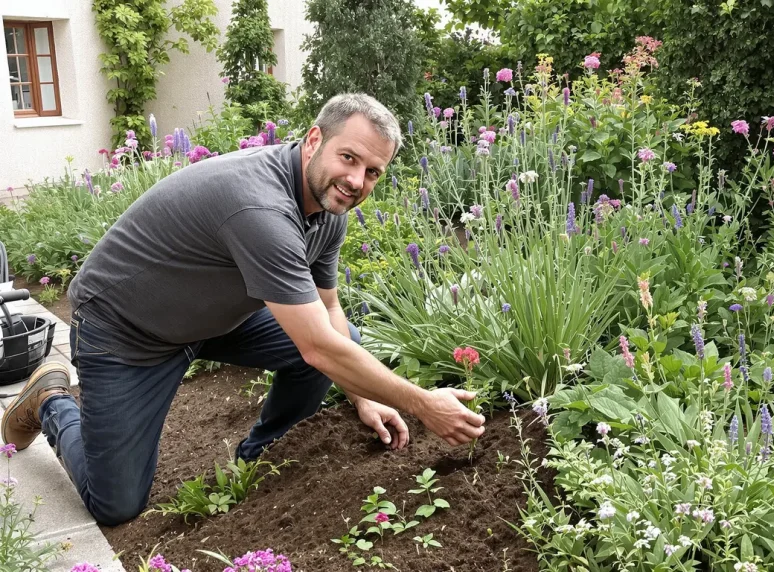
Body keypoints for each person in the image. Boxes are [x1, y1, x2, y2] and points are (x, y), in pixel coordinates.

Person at [0, 93, 485, 527]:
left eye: (373, 171)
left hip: (213, 317)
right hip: (127, 329)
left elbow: (329, 312)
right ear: (314, 139)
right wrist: (421, 402)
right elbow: (318, 347)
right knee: (116, 504)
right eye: (349, 158)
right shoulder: (261, 208)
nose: (357, 181)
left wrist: (366, 396)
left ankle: (259, 456)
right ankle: (50, 403)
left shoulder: (327, 209)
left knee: (345, 344)